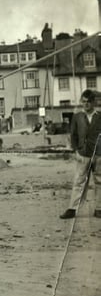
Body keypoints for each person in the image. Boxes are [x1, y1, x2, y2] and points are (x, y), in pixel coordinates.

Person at [60, 90, 101, 219]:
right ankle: (72, 209)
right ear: (81, 102)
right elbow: (73, 136)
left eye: (89, 101)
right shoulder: (77, 117)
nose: (86, 104)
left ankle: (99, 209)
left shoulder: (100, 116)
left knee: (99, 181)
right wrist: (75, 151)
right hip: (82, 155)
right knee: (79, 181)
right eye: (84, 101)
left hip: (99, 155)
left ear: (94, 102)